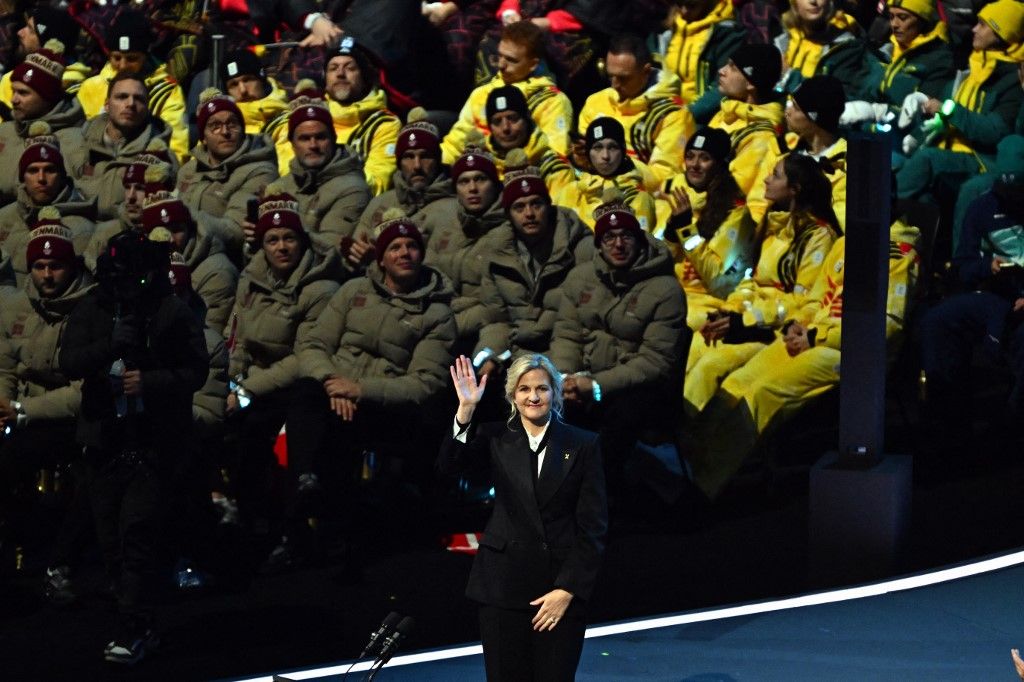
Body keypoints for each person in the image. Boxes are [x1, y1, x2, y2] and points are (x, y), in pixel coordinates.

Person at [59, 229, 208, 665]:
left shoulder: (171, 310)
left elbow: (196, 371)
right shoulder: (92, 307)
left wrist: (151, 381)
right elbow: (68, 362)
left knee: (137, 533)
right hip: (104, 439)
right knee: (111, 541)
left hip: (153, 443)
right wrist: (110, 346)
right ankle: (136, 617)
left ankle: (134, 625)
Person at [438, 353, 607, 682]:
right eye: (524, 389)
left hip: (557, 590)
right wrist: (466, 410)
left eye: (542, 388)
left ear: (555, 393)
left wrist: (567, 590)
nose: (533, 396)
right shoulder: (495, 437)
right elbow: (448, 470)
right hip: (502, 587)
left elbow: (593, 527)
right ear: (512, 395)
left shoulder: (583, 444)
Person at [549, 196, 689, 492]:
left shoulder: (666, 289)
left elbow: (655, 362)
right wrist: (565, 378)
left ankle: (601, 490)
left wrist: (596, 386)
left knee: (622, 416)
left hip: (640, 386)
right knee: (544, 398)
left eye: (626, 236)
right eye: (609, 238)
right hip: (586, 377)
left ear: (639, 240)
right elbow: (567, 335)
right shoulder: (580, 278)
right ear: (599, 245)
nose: (619, 245)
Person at [685, 153, 841, 415]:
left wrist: (746, 320)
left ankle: (694, 436)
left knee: (711, 366)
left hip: (773, 331)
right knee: (693, 347)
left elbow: (803, 304)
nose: (767, 180)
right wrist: (732, 311)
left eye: (776, 175)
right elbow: (752, 282)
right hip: (746, 321)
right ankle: (669, 428)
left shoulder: (819, 236)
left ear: (794, 189)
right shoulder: (774, 224)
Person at [224, 193, 342, 527]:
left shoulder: (321, 289)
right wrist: (230, 383)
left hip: (295, 387)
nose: (282, 247)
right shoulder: (250, 279)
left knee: (257, 431)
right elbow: (237, 339)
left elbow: (305, 356)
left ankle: (287, 525)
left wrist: (245, 391)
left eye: (289, 238)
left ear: (302, 241)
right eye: (272, 240)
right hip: (252, 381)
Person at [896, 0, 1024, 202]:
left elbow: (995, 131)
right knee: (913, 182)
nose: (974, 29)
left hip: (981, 159)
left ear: (1002, 33)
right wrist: (920, 129)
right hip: (948, 150)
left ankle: (879, 210)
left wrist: (951, 111)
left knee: (927, 160)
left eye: (982, 25)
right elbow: (943, 111)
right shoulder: (971, 69)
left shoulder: (1011, 80)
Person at [659, 127, 757, 330]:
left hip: (706, 304)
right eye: (690, 156)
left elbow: (720, 282)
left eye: (704, 158)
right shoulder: (676, 197)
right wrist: (671, 232)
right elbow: (655, 261)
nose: (694, 165)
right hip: (668, 294)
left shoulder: (736, 212)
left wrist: (686, 231)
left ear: (720, 164)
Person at [441, 20, 573, 163]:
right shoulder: (481, 94)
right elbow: (455, 145)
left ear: (533, 64)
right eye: (500, 56)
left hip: (526, 174)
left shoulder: (552, 103)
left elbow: (556, 157)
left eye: (511, 60)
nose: (501, 65)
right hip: (480, 174)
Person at [74, 11, 189, 162]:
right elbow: (76, 139)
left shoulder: (166, 91)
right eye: (116, 58)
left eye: (132, 59)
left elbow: (176, 147)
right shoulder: (90, 87)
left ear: (145, 56)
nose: (123, 66)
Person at [176, 89, 278, 255]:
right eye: (215, 126)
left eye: (232, 124)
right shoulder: (188, 169)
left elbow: (235, 232)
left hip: (224, 259)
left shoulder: (259, 171)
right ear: (203, 138)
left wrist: (178, 212)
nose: (225, 132)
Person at [578, 33, 687, 186]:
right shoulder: (596, 102)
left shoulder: (672, 115)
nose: (615, 85)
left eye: (623, 78)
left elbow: (664, 177)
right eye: (610, 76)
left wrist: (617, 164)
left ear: (646, 72)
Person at [70, 73, 176, 222]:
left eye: (139, 99)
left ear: (147, 108)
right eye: (122, 97)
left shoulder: (162, 160)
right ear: (107, 105)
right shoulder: (77, 145)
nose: (131, 103)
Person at [272, 96, 372, 254]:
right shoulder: (280, 186)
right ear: (292, 143)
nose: (313, 145)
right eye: (304, 139)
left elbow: (333, 248)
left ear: (334, 138)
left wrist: (280, 225)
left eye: (320, 137)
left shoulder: (353, 189)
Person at [0, 125, 96, 286]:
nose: (41, 178)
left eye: (50, 170)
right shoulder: (3, 218)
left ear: (62, 175)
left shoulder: (83, 229)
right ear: (23, 177)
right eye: (33, 170)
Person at [0, 39, 86, 201]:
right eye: (13, 91)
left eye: (23, 93)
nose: (13, 100)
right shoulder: (4, 132)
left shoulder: (78, 141)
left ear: (47, 97)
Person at [707, 43, 785, 214]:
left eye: (733, 68)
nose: (721, 70)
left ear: (750, 82)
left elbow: (731, 192)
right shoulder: (725, 113)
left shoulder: (762, 136)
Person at [355, 108, 454, 238]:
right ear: (399, 163)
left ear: (437, 161)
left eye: (425, 156)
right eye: (409, 157)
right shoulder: (379, 203)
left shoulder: (456, 208)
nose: (417, 166)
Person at [556, 117, 656, 231]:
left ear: (623, 151)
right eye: (597, 147)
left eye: (613, 147)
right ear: (587, 153)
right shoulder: (570, 192)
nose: (605, 156)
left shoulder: (638, 198)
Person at [775, 0, 883, 101]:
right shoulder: (784, 41)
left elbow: (835, 103)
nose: (813, 1)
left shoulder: (847, 49)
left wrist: (789, 77)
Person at [663, 0, 747, 128]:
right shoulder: (668, 30)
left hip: (705, 118)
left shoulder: (727, 33)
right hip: (667, 111)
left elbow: (723, 86)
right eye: (679, 4)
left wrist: (686, 113)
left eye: (692, 5)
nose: (684, 11)